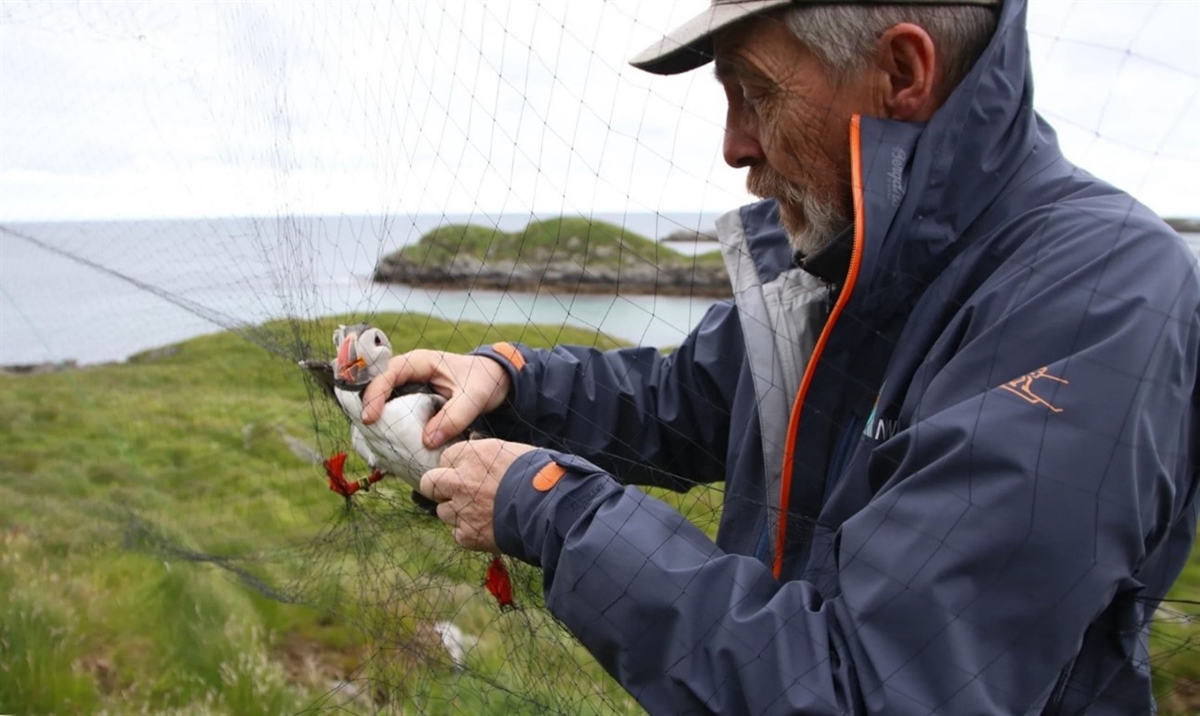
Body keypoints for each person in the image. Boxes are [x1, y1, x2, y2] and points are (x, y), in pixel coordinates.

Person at [363, 0, 1200, 712]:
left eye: (755, 92)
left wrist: (550, 507)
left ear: (902, 74)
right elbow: (683, 398)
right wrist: (512, 381)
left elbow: (870, 689)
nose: (733, 146)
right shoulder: (856, 255)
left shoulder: (1099, 295)